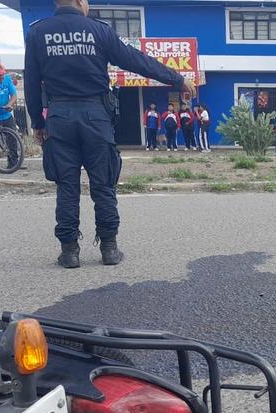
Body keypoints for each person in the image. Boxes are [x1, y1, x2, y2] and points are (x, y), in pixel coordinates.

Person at [24, 0, 195, 268]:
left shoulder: (38, 32)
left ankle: (69, 251)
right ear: (81, 1)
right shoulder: (99, 31)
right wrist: (177, 79)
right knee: (103, 186)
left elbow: (32, 81)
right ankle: (109, 249)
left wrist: (38, 122)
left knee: (66, 187)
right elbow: (136, 60)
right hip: (96, 117)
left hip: (59, 118)